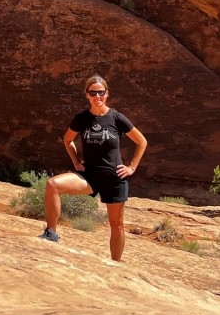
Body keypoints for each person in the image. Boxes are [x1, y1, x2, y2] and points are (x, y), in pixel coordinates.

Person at [38, 74, 148, 261]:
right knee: (53, 185)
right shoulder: (82, 118)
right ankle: (51, 233)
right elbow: (67, 139)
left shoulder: (116, 118)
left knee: (116, 225)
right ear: (87, 95)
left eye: (101, 93)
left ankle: (115, 264)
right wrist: (75, 160)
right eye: (93, 93)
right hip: (89, 177)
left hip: (114, 179)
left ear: (107, 94)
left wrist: (131, 167)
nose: (98, 96)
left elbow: (142, 142)